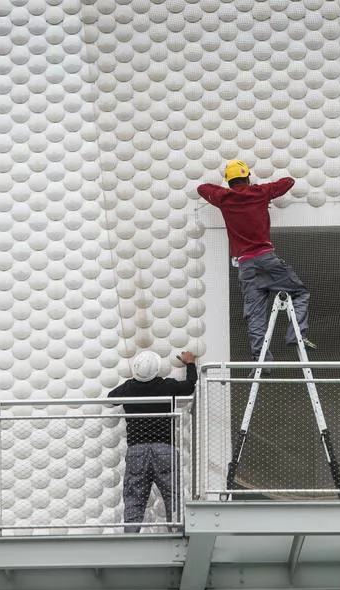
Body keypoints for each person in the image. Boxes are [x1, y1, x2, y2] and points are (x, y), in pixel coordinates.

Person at [197, 159, 314, 359]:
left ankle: (262, 361)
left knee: (255, 315)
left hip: (245, 267)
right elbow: (288, 182)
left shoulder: (224, 198)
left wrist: (227, 194)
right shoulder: (259, 193)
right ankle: (296, 335)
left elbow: (201, 188)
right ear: (247, 176)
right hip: (266, 259)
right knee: (300, 293)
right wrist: (261, 192)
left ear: (229, 181)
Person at [109, 349, 197, 533]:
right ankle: (178, 534)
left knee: (134, 497)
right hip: (164, 448)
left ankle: (131, 537)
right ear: (156, 369)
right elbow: (189, 386)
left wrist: (131, 388)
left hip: (137, 450)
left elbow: (110, 399)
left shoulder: (128, 388)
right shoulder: (168, 386)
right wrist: (190, 363)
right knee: (173, 495)